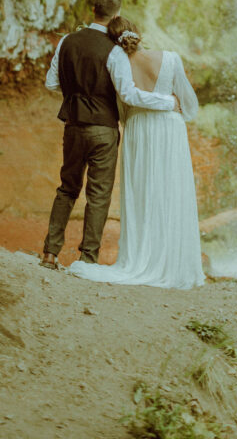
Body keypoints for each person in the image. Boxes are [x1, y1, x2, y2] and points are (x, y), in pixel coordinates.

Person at [41, 0, 180, 269]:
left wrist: (76, 93)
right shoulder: (115, 51)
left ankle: (49, 253)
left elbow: (51, 83)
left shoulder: (68, 41)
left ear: (94, 10)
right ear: (116, 15)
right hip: (103, 130)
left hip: (73, 127)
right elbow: (128, 95)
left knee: (67, 189)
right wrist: (166, 102)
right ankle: (88, 259)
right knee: (99, 195)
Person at [67, 15, 205, 289]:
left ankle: (142, 256)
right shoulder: (171, 58)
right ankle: (172, 263)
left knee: (143, 194)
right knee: (171, 191)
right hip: (169, 130)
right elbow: (189, 105)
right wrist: (170, 104)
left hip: (138, 130)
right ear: (138, 33)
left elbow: (122, 109)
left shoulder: (117, 65)